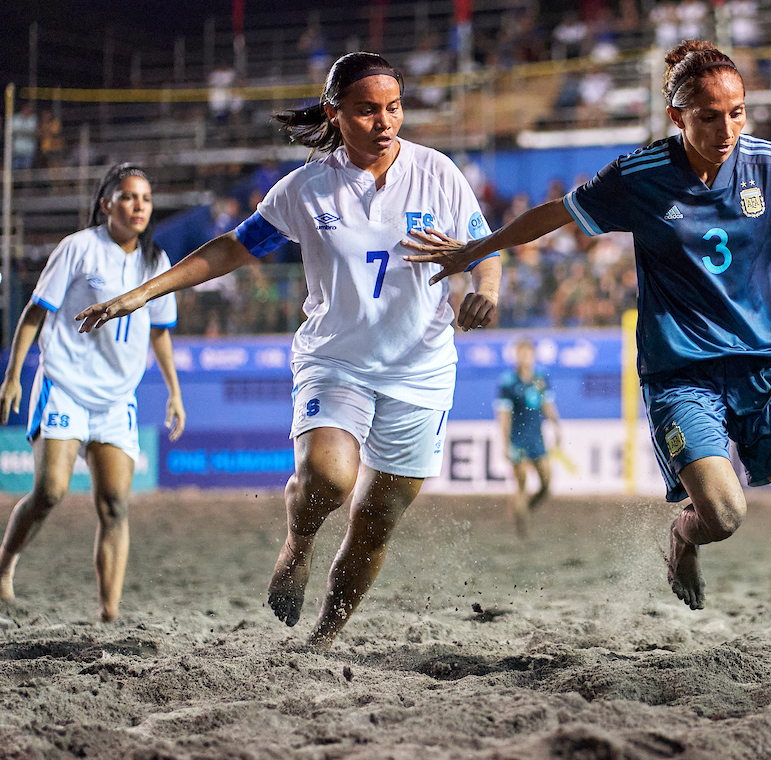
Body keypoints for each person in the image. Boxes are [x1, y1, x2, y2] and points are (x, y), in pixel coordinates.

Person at [404, 40, 771, 653]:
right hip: (682, 379)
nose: (726, 127)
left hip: (766, 371)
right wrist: (477, 249)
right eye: (709, 115)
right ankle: (684, 535)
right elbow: (554, 214)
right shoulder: (638, 176)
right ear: (676, 117)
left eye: (737, 112)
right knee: (725, 516)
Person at [76, 53, 502, 650]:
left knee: (375, 523)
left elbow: (487, 247)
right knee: (329, 476)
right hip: (335, 360)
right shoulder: (307, 187)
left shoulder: (439, 173)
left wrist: (484, 291)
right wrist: (143, 292)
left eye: (394, 108)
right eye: (367, 110)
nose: (385, 123)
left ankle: (323, 639)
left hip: (422, 370)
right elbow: (232, 248)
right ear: (335, 114)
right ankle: (298, 545)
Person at [0, 163, 186, 621]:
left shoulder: (155, 262)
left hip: (116, 399)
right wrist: (12, 376)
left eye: (144, 197)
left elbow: (160, 332)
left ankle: (109, 614)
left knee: (115, 505)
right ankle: (4, 568)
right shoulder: (78, 248)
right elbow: (35, 312)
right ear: (106, 204)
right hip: (64, 384)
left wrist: (174, 392)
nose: (138, 205)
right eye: (127, 196)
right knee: (50, 490)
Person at [495, 339, 561, 537]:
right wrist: (505, 443)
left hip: (537, 438)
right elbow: (504, 415)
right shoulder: (508, 382)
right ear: (516, 355)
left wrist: (556, 426)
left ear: (533, 355)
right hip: (518, 439)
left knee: (546, 484)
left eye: (528, 353)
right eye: (521, 353)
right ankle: (522, 532)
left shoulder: (540, 379)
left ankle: (524, 510)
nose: (524, 357)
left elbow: (547, 405)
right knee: (521, 483)